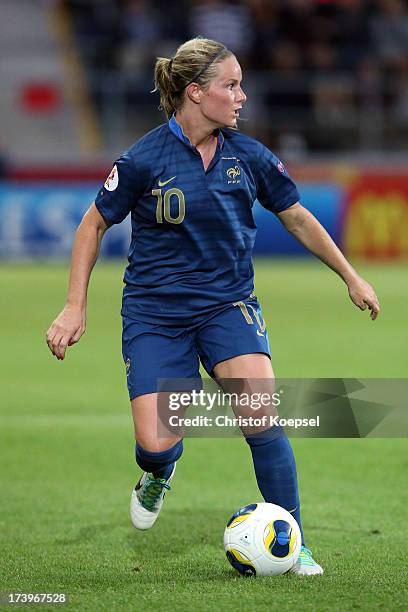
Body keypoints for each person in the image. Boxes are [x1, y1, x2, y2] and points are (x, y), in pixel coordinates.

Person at [46, 37, 380, 576]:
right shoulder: (142, 159)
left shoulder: (249, 156)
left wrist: (350, 274)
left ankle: (293, 543)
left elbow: (295, 215)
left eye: (241, 84)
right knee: (155, 441)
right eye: (231, 85)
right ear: (196, 93)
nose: (242, 95)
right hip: (156, 316)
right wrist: (73, 305)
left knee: (262, 415)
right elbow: (93, 223)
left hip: (228, 306)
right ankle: (158, 472)